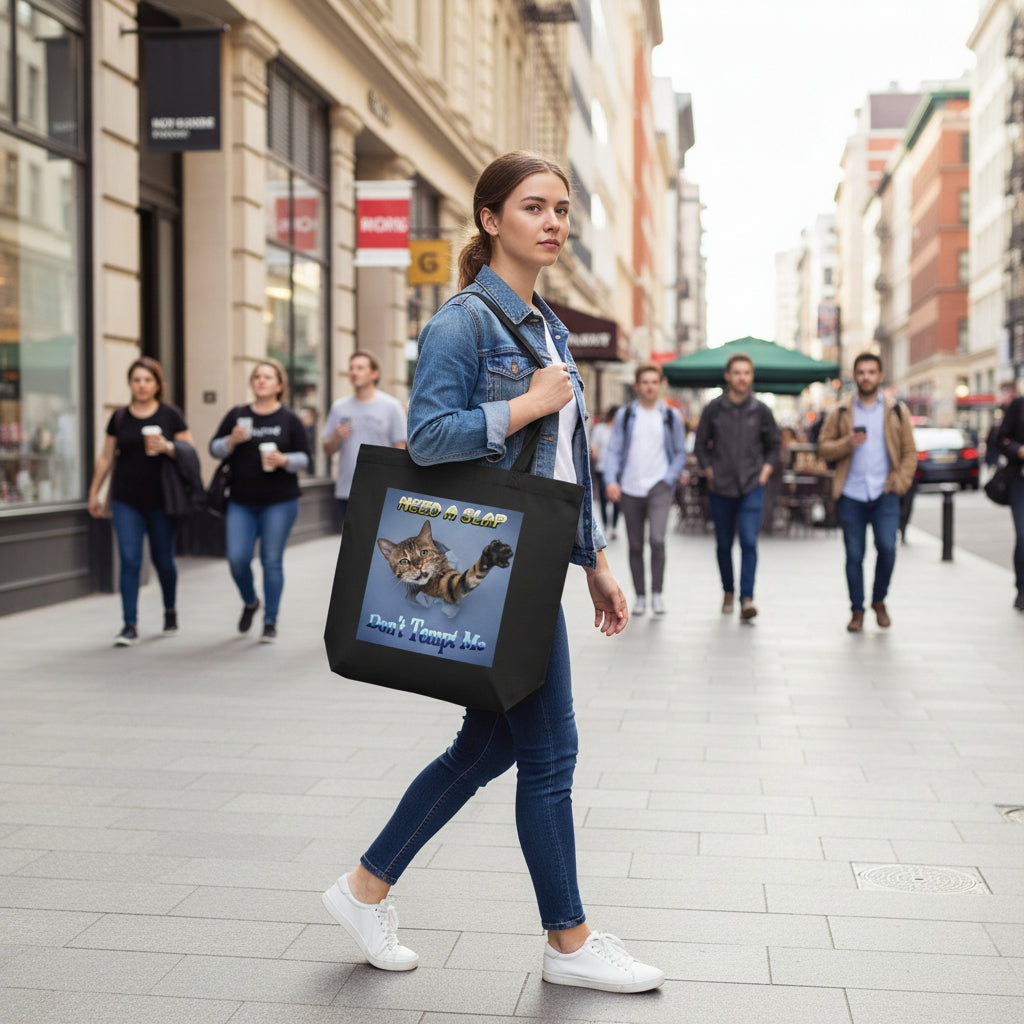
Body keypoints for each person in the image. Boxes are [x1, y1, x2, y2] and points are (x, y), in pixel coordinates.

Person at [320, 151, 664, 994]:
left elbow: (564, 458)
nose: (554, 221)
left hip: (535, 562)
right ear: (490, 219)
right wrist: (524, 404)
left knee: (491, 743)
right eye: (535, 207)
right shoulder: (462, 324)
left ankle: (365, 888)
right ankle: (570, 944)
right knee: (549, 752)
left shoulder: (547, 326)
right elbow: (430, 439)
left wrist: (596, 561)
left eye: (563, 209)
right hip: (497, 566)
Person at [87, 357, 194, 646]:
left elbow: (189, 452)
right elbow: (106, 457)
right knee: (130, 560)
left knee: (163, 561)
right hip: (126, 500)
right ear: (130, 383)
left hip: (162, 501)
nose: (142, 385)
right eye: (137, 380)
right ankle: (129, 624)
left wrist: (168, 447)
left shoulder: (171, 415)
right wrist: (94, 492)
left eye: (148, 380)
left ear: (158, 384)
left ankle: (170, 610)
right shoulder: (120, 417)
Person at [209, 360, 310, 644]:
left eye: (268, 377)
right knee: (237, 559)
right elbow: (213, 449)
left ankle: (270, 620)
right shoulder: (237, 415)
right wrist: (230, 441)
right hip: (241, 501)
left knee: (271, 560)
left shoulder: (289, 420)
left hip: (280, 501)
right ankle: (251, 601)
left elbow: (305, 458)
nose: (261, 381)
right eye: (257, 376)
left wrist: (284, 460)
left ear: (279, 385)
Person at [817, 352, 917, 632]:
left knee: (887, 548)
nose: (866, 377)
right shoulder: (841, 411)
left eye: (871, 372)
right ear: (855, 376)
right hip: (851, 493)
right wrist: (846, 444)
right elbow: (823, 447)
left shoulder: (897, 410)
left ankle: (879, 599)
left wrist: (899, 483)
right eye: (861, 372)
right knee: (854, 555)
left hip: (885, 492)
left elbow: (910, 452)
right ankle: (857, 610)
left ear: (880, 376)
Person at [693, 352, 780, 620]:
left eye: (747, 373)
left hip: (752, 486)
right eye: (737, 373)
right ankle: (728, 591)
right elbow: (700, 445)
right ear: (728, 376)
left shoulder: (762, 410)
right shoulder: (714, 409)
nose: (742, 378)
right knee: (722, 545)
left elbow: (775, 445)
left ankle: (747, 598)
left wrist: (765, 472)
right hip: (720, 487)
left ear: (752, 377)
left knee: (749, 542)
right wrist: (710, 470)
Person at [603, 366, 687, 615]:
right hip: (630, 488)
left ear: (660, 384)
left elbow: (681, 453)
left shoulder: (671, 416)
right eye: (645, 382)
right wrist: (610, 480)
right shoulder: (626, 416)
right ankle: (640, 596)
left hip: (660, 487)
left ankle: (657, 593)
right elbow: (614, 451)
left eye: (654, 382)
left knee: (658, 540)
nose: (650, 386)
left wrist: (669, 479)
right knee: (636, 545)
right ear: (637, 385)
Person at [322, 351, 406, 528]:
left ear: (374, 373)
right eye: (352, 368)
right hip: (347, 488)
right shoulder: (339, 407)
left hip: (381, 488)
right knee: (352, 548)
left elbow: (400, 447)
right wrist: (337, 437)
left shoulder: (391, 406)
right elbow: (328, 448)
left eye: (360, 368)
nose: (354, 372)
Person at [995, 389, 1024, 611]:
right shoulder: (1017, 405)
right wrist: (1018, 450)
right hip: (1019, 482)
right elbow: (1001, 440)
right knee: (1023, 536)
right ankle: (1022, 589)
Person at [589, 406, 620, 539]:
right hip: (602, 468)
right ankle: (606, 525)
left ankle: (614, 526)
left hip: (618, 469)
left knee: (617, 499)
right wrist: (594, 454)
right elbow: (594, 445)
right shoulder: (600, 429)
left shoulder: (621, 431)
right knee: (603, 498)